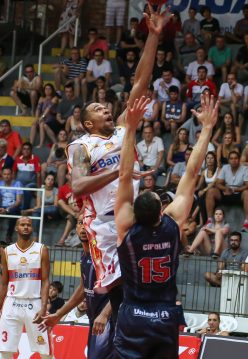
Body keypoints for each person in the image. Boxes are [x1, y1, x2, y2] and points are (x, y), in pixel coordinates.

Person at [67, 6, 169, 297]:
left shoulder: (126, 127)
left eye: (106, 106)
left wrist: (153, 35)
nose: (106, 108)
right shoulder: (81, 147)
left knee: (145, 286)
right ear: (88, 123)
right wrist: (120, 171)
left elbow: (141, 81)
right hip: (105, 222)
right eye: (99, 109)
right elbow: (78, 185)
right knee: (111, 292)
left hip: (136, 215)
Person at [112, 92, 218, 358]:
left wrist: (130, 128)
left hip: (133, 314)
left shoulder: (126, 227)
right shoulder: (172, 225)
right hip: (165, 315)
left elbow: (124, 175)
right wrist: (206, 128)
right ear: (161, 211)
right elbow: (192, 172)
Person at [38, 213, 114, 359]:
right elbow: (82, 289)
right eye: (80, 223)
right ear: (76, 228)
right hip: (95, 319)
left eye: (89, 223)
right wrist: (59, 314)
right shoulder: (84, 254)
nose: (84, 227)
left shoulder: (104, 254)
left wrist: (105, 314)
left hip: (108, 319)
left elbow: (122, 287)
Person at [0, 217, 52, 359]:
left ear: (32, 228)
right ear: (16, 228)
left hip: (34, 303)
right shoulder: (7, 251)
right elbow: (3, 284)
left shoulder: (41, 249)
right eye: (22, 225)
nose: (26, 227)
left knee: (44, 350)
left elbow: (45, 281)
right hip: (12, 303)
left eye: (29, 225)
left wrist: (44, 307)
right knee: (6, 349)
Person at [205, 151, 248, 232]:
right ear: (228, 160)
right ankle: (209, 220)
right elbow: (218, 183)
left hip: (239, 193)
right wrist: (225, 189)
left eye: (236, 158)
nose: (233, 160)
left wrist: (235, 189)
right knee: (211, 191)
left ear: (239, 159)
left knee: (247, 193)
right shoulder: (225, 168)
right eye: (231, 158)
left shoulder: (245, 169)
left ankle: (246, 223)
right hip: (226, 193)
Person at [0, 168, 23, 242]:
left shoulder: (18, 184)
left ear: (12, 175)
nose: (6, 176)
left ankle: (9, 235)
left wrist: (7, 210)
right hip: (2, 207)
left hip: (14, 207)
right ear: (2, 175)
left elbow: (18, 201)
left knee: (13, 213)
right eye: (5, 174)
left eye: (8, 174)